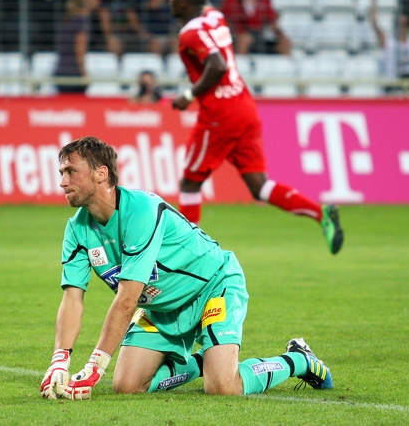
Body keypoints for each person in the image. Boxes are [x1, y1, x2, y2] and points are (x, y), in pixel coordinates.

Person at [40, 136, 334, 400]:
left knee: (223, 388)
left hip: (212, 286)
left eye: (70, 172)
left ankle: (300, 359)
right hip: (163, 306)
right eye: (61, 173)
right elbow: (72, 297)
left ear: (101, 173)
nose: (63, 182)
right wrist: (59, 361)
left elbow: (127, 299)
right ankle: (205, 360)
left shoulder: (140, 210)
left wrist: (95, 366)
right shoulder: (77, 229)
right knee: (128, 385)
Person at [167, 0, 343, 254]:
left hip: (219, 113)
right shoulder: (215, 16)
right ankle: (321, 214)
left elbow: (217, 66)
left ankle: (190, 253)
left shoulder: (189, 33)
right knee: (259, 186)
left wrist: (187, 96)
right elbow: (201, 2)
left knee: (190, 181)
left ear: (184, 2)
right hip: (245, 107)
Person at [221, 0, 291, 55]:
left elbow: (272, 24)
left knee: (285, 42)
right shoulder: (230, 1)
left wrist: (281, 36)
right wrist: (234, 34)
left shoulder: (264, 1)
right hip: (238, 36)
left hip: (259, 37)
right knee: (245, 39)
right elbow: (225, 24)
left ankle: (285, 68)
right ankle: (241, 66)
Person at [54, 0, 100, 94]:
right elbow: (80, 48)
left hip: (60, 71)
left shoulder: (69, 17)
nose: (98, 0)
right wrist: (84, 73)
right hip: (73, 74)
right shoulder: (82, 20)